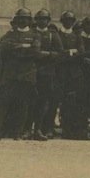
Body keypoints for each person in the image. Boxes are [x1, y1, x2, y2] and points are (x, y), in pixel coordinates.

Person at [0, 8, 40, 140]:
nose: (23, 21)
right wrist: (24, 47)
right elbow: (3, 49)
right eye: (20, 18)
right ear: (16, 20)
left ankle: (17, 133)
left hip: (26, 74)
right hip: (10, 74)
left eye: (26, 18)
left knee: (22, 104)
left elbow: (35, 52)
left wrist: (19, 48)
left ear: (30, 21)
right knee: (4, 103)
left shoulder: (35, 35)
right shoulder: (9, 34)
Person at [27, 9, 62, 140]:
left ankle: (40, 129)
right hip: (32, 71)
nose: (42, 21)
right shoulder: (31, 33)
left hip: (47, 73)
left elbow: (59, 53)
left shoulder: (53, 35)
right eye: (40, 19)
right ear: (36, 20)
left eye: (45, 19)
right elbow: (29, 52)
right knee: (30, 101)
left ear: (48, 21)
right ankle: (27, 129)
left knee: (44, 102)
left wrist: (45, 54)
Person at [58, 11, 89, 140]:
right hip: (62, 72)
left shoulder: (77, 36)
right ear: (62, 21)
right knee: (64, 101)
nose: (68, 22)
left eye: (71, 20)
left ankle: (79, 130)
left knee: (78, 102)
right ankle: (66, 130)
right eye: (66, 20)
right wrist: (71, 52)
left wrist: (68, 53)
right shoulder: (58, 35)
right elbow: (58, 53)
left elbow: (81, 52)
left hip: (76, 73)